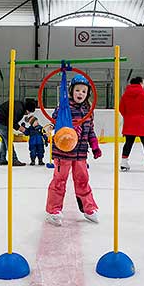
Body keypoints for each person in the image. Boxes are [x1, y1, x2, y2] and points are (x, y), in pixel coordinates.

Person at [45, 74, 102, 226]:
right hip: (63, 153)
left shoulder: (88, 110)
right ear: (71, 91)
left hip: (81, 154)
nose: (80, 94)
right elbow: (55, 121)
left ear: (87, 94)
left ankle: (89, 208)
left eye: (84, 91)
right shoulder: (64, 107)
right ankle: (53, 210)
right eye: (77, 90)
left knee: (83, 180)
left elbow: (90, 130)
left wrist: (95, 146)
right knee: (59, 181)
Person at [119, 76, 144, 172]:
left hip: (129, 123)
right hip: (142, 123)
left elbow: (121, 108)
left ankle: (124, 163)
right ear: (140, 83)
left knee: (128, 143)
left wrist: (127, 116)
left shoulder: (125, 95)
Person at [0, 98, 36, 166]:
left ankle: (2, 159)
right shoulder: (19, 108)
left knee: (5, 139)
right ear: (28, 109)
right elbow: (12, 121)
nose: (28, 114)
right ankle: (13, 159)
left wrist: (21, 128)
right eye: (29, 112)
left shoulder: (20, 106)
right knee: (8, 140)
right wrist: (22, 129)